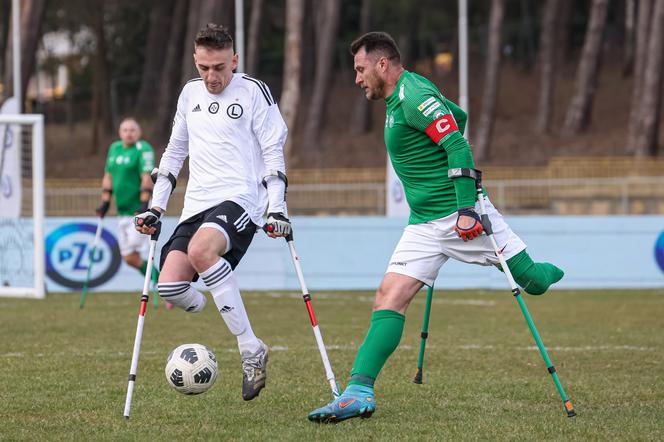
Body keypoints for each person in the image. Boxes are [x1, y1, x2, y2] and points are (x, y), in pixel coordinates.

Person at [308, 31, 564, 423]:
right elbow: (456, 118)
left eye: (360, 70)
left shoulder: (411, 96)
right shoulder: (399, 99)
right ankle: (358, 393)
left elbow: (457, 146)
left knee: (532, 280)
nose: (356, 79)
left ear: (382, 64)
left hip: (460, 216)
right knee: (388, 297)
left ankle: (555, 270)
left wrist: (466, 210)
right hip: (423, 225)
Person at [133, 23, 291, 401]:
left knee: (201, 251)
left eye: (219, 67)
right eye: (204, 67)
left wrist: (278, 207)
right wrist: (157, 206)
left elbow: (273, 150)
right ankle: (221, 300)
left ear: (234, 60)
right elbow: (174, 153)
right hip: (196, 204)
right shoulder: (189, 94)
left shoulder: (253, 91)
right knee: (169, 286)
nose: (211, 76)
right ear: (195, 60)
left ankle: (250, 348)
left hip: (240, 200)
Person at [96, 117, 161, 290]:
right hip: (121, 211)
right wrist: (105, 202)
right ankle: (161, 280)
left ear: (138, 133)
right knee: (129, 258)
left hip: (138, 211)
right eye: (125, 130)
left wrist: (144, 203)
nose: (129, 133)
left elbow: (146, 176)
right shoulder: (115, 148)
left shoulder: (143, 148)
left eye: (133, 130)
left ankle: (165, 286)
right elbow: (108, 175)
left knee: (135, 249)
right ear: (120, 133)